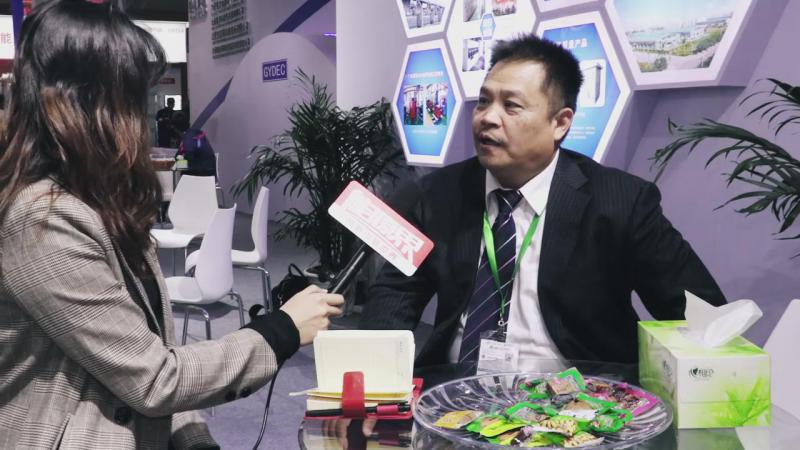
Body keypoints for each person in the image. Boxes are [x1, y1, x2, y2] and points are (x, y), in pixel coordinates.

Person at [0, 2, 343, 449]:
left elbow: (151, 350)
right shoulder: (40, 219)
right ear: (85, 103)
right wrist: (281, 330)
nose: (141, 118)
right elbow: (154, 377)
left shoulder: (101, 204)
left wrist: (193, 438)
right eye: (131, 96)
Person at [359, 33, 726, 367]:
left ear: (560, 123)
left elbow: (701, 315)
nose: (487, 118)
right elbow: (395, 294)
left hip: (582, 401)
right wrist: (374, 373)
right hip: (456, 394)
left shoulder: (620, 201)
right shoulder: (437, 193)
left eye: (511, 106)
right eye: (483, 102)